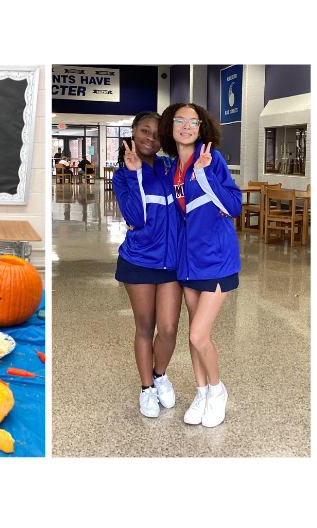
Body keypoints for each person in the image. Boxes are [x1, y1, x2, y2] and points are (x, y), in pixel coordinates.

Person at [160, 103, 241, 428]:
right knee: (195, 332)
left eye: (193, 121)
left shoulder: (211, 159)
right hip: (188, 262)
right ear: (171, 127)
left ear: (201, 127)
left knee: (197, 335)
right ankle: (201, 391)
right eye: (180, 120)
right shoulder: (172, 169)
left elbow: (233, 206)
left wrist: (205, 174)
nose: (187, 126)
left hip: (217, 259)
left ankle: (218, 391)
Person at [112, 111, 182, 419]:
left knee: (168, 329)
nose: (150, 137)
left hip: (172, 262)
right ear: (133, 132)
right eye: (145, 130)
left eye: (156, 133)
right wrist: (134, 172)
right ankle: (146, 389)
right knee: (145, 326)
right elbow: (136, 218)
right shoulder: (122, 175)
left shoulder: (170, 167)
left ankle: (159, 374)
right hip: (139, 260)